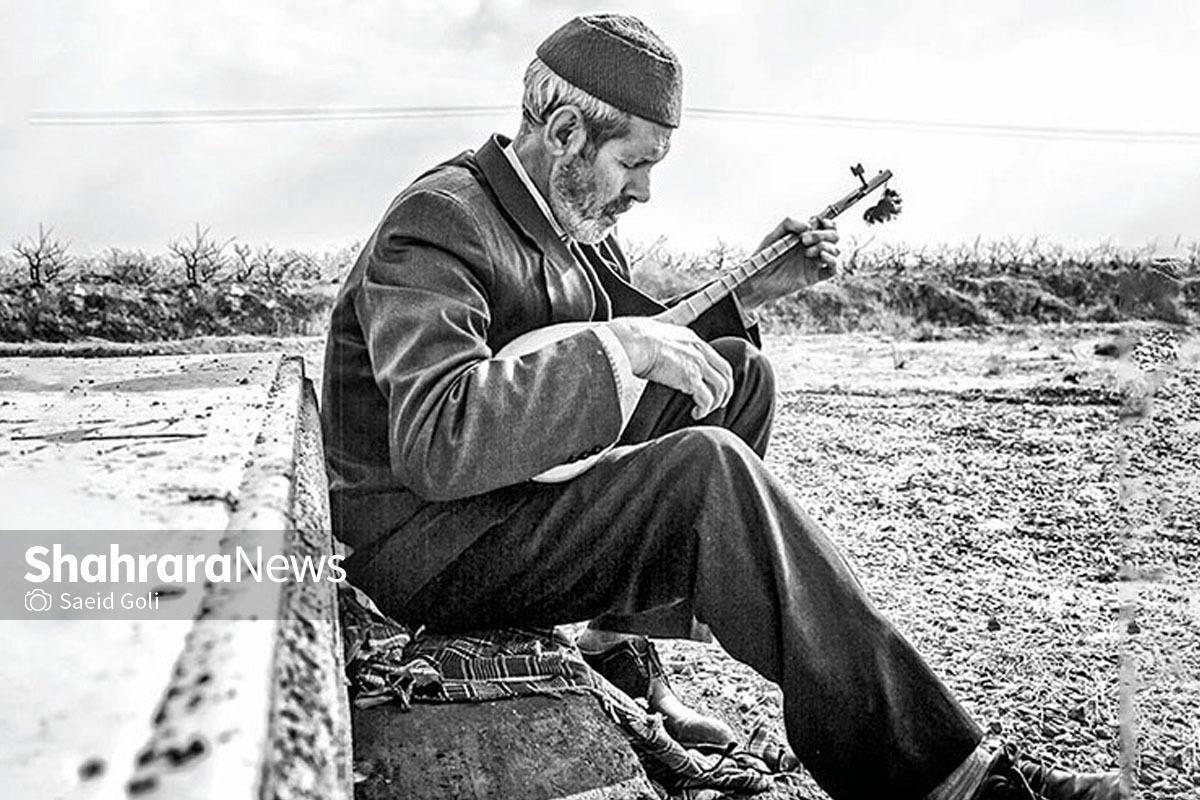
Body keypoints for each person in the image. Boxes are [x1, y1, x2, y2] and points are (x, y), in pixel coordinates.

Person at [321, 13, 1121, 800]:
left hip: (500, 497)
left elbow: (630, 341)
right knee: (708, 473)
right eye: (634, 163)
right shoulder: (441, 221)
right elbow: (440, 436)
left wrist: (753, 289)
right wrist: (622, 350)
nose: (643, 189)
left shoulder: (568, 221)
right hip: (428, 544)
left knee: (733, 374)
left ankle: (615, 646)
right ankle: (949, 778)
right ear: (565, 130)